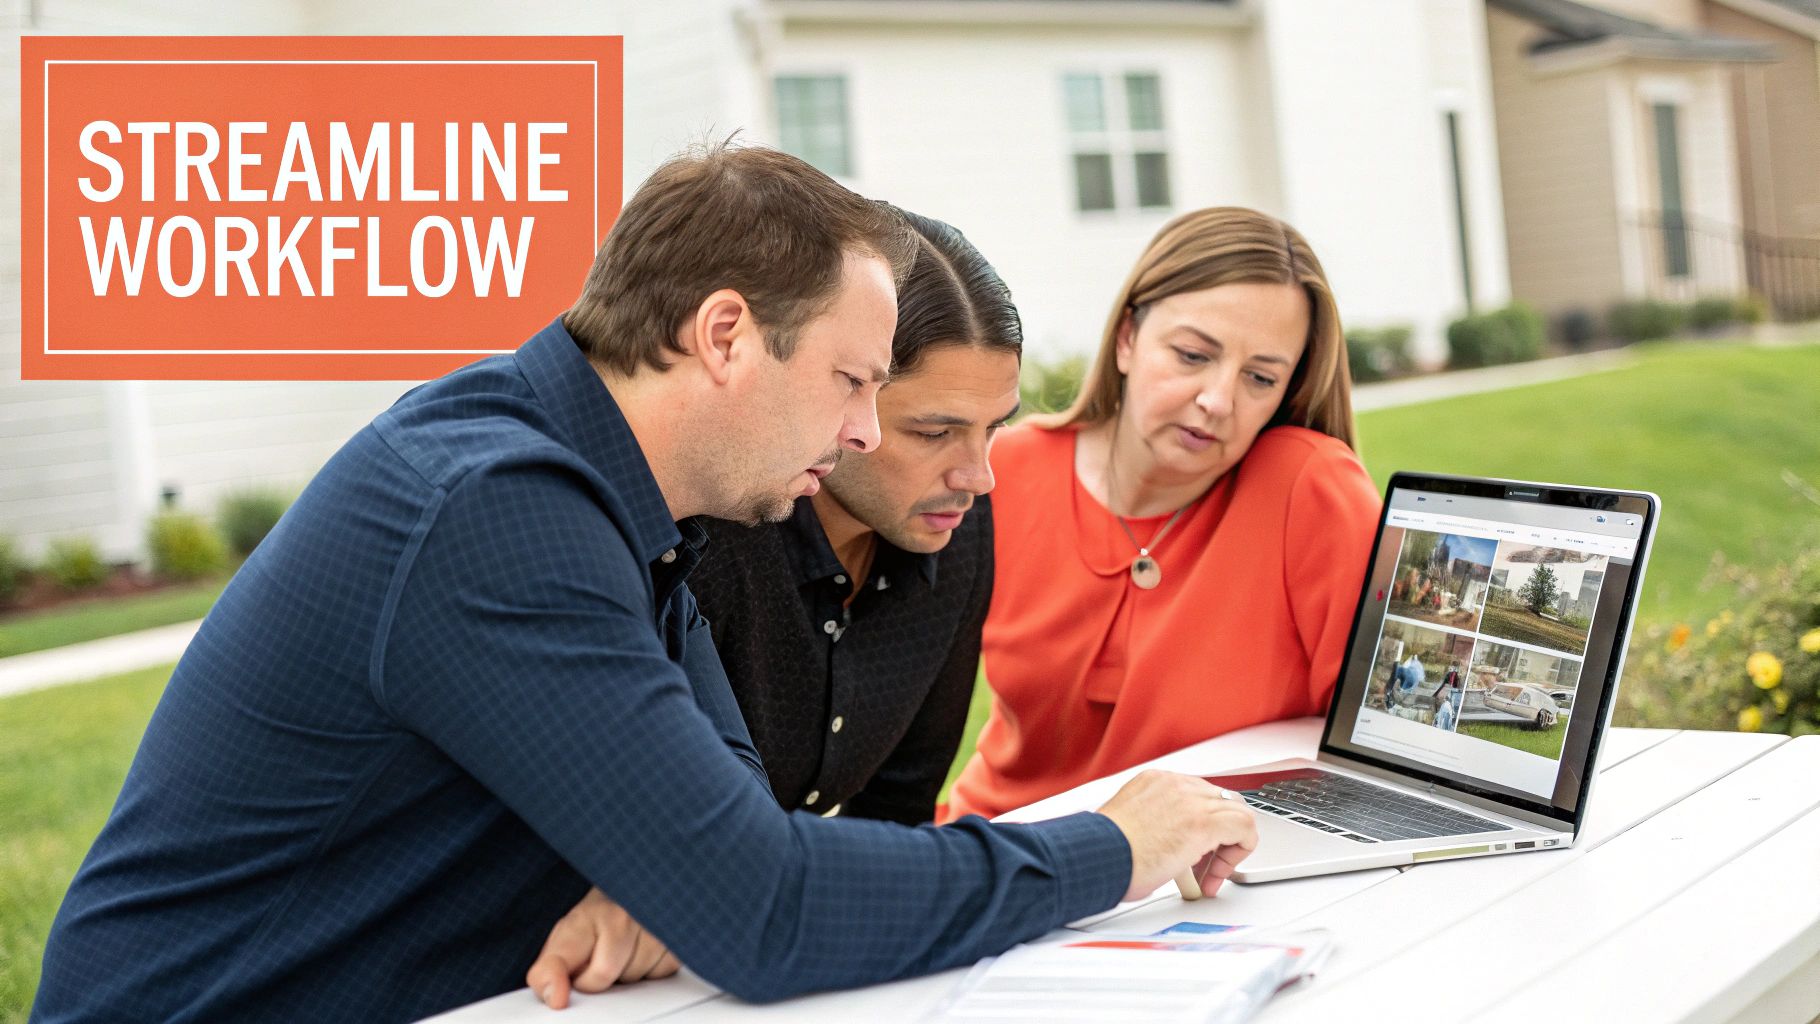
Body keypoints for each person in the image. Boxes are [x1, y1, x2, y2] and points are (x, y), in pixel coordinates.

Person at [31, 145, 1255, 1024]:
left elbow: (731, 840)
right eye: (849, 381)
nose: (860, 434)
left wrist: (684, 879)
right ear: (723, 335)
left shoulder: (620, 496)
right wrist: (1105, 849)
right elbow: (765, 908)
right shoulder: (496, 510)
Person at [525, 209, 1023, 1008]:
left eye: (995, 430)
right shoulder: (701, 532)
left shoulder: (954, 528)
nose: (978, 475)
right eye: (934, 431)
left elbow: (897, 820)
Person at [944, 206, 1381, 823]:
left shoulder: (1309, 488)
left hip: (1210, 879)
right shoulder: (1006, 472)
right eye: (1193, 356)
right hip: (1001, 851)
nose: (1218, 400)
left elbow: (1386, 744)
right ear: (1128, 339)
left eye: (1260, 377)